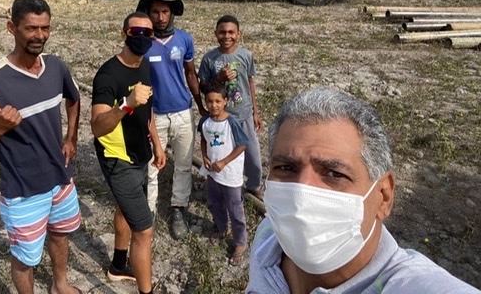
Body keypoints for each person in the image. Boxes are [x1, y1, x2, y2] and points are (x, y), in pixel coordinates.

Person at [246, 87, 480, 294]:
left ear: (384, 196)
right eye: (286, 168)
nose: (300, 194)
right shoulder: (269, 237)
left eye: (334, 174)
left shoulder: (412, 285)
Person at [0, 0, 82, 294]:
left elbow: (74, 99)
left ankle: (60, 285)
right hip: (22, 190)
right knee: (25, 259)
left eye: (45, 28)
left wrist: (71, 138)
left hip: (61, 178)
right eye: (31, 28)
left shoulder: (55, 67)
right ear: (12, 28)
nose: (40, 36)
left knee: (60, 235)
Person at [91, 12, 166, 294]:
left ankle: (118, 265)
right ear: (124, 34)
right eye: (137, 32)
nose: (143, 38)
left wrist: (156, 143)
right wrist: (126, 104)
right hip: (118, 159)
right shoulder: (108, 75)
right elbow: (97, 126)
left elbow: (148, 109)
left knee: (125, 209)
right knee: (144, 230)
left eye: (149, 33)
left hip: (140, 153)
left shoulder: (144, 65)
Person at [136, 0, 206, 239]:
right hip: (154, 115)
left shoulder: (184, 39)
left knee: (183, 164)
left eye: (165, 11)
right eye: (155, 11)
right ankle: (149, 211)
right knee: (152, 165)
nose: (161, 17)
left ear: (172, 13)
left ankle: (179, 208)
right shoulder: (142, 42)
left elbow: (190, 74)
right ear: (148, 13)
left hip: (183, 112)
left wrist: (200, 105)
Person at [198, 15, 263, 198]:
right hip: (221, 119)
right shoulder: (209, 59)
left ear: (238, 34)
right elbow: (203, 86)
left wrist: (255, 112)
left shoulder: (246, 55)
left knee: (253, 156)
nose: (227, 36)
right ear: (215, 34)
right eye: (222, 32)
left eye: (231, 32)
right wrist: (218, 78)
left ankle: (253, 185)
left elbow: (250, 82)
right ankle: (221, 184)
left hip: (244, 114)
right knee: (221, 153)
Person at [198, 82, 249, 265]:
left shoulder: (231, 122)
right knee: (214, 202)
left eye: (218, 101)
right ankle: (222, 228)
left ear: (225, 101)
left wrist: (224, 162)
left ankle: (240, 242)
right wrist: (204, 156)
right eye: (210, 101)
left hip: (230, 175)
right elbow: (203, 139)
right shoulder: (205, 121)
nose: (214, 105)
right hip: (213, 173)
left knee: (235, 209)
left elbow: (242, 145)